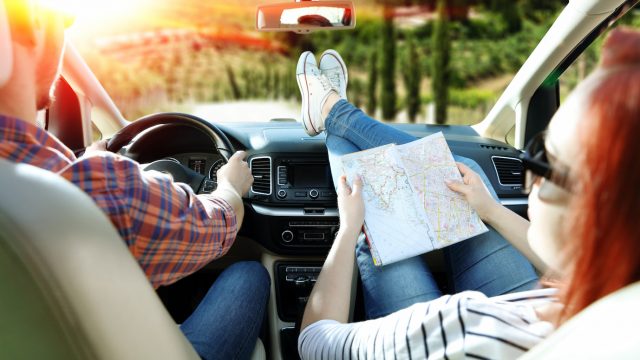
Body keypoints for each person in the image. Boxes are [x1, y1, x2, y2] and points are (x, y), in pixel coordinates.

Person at [296, 27, 640, 359]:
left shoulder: (464, 326)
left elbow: (314, 342)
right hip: (538, 307)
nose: (530, 173)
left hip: (495, 326)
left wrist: (348, 229)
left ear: (596, 212)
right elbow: (573, 267)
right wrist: (489, 210)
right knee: (460, 171)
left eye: (544, 158)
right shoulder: (622, 301)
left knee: (372, 205)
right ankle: (332, 112)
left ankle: (332, 113)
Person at [0, 2, 268, 359]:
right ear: (35, 25)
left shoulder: (68, 183)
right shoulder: (104, 190)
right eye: (61, 21)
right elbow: (219, 224)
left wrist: (92, 162)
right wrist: (230, 185)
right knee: (250, 274)